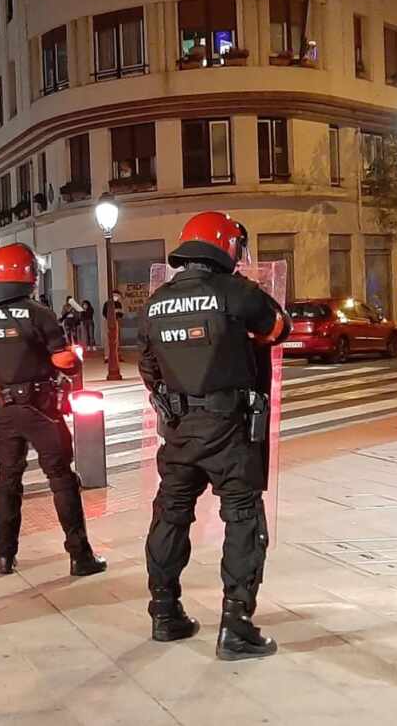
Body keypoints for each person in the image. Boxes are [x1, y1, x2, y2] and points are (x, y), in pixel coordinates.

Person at [139, 211, 290, 660]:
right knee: (243, 518)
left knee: (171, 515)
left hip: (180, 429)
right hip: (229, 429)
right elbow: (280, 329)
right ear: (227, 248)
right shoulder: (237, 292)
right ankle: (236, 626)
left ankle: (165, 613)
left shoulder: (156, 302)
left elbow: (148, 367)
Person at [0, 243, 107, 578]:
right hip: (42, 410)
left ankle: (5, 555)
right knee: (61, 478)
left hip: (4, 411)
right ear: (29, 276)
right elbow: (63, 360)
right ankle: (80, 555)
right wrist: (74, 361)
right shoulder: (38, 313)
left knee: (8, 480)